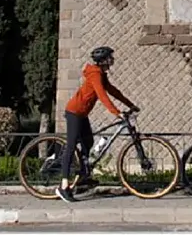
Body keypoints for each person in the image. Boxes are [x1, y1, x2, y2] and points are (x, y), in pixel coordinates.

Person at [56, 46, 138, 203]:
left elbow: (113, 91)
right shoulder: (94, 74)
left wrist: (130, 105)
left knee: (88, 142)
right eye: (110, 57)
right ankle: (64, 186)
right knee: (71, 146)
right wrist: (116, 112)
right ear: (103, 60)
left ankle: (83, 176)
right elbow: (102, 95)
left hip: (82, 114)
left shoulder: (101, 74)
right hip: (74, 112)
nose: (112, 60)